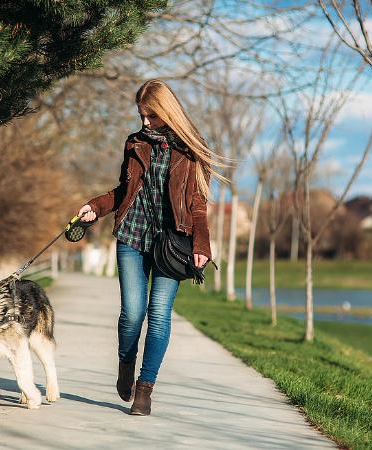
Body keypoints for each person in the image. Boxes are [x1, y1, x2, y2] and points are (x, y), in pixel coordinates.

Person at [78, 79, 226, 416]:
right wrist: (96, 207)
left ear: (168, 112)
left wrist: (201, 244)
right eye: (142, 115)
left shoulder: (192, 150)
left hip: (172, 244)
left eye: (152, 115)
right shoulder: (134, 143)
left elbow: (198, 205)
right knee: (133, 313)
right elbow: (122, 192)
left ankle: (145, 388)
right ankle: (125, 363)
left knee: (159, 314)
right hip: (132, 236)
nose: (145, 122)